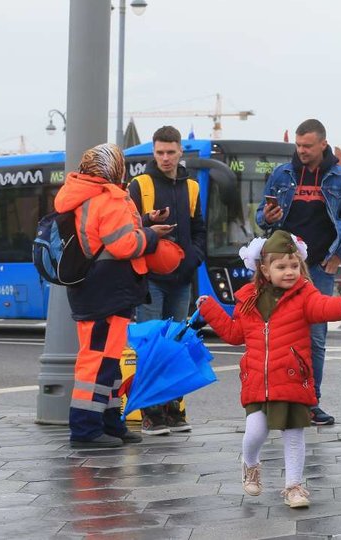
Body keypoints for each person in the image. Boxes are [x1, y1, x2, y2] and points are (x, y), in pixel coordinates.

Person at [196, 231, 341, 508]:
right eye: (281, 267)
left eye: (294, 266)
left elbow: (324, 307)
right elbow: (235, 334)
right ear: (264, 269)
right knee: (255, 433)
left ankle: (294, 487)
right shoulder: (248, 299)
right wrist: (211, 310)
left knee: (294, 434)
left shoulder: (305, 294)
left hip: (292, 378)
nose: (289, 272)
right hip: (258, 381)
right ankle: (250, 464)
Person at [54, 143, 175, 448]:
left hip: (95, 291)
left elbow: (105, 235)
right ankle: (86, 430)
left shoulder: (84, 194)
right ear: (113, 168)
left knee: (107, 363)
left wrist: (144, 221)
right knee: (96, 363)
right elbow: (123, 246)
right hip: (108, 293)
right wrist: (150, 236)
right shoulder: (109, 198)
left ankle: (109, 423)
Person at [256, 119, 341, 426]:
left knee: (315, 338)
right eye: (298, 146)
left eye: (307, 146)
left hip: (318, 268)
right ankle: (275, 399)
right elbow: (262, 216)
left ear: (323, 145)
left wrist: (340, 253)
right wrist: (267, 215)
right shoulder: (281, 174)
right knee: (274, 334)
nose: (301, 151)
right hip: (281, 267)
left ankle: (310, 401)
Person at [127, 126, 207, 436]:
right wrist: (148, 222)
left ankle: (174, 411)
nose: (165, 157)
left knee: (177, 343)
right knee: (150, 345)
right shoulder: (140, 185)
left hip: (181, 277)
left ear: (180, 152)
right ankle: (152, 414)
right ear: (153, 152)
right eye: (159, 152)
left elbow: (199, 229)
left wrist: (193, 258)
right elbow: (126, 226)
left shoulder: (191, 187)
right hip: (149, 278)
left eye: (170, 152)